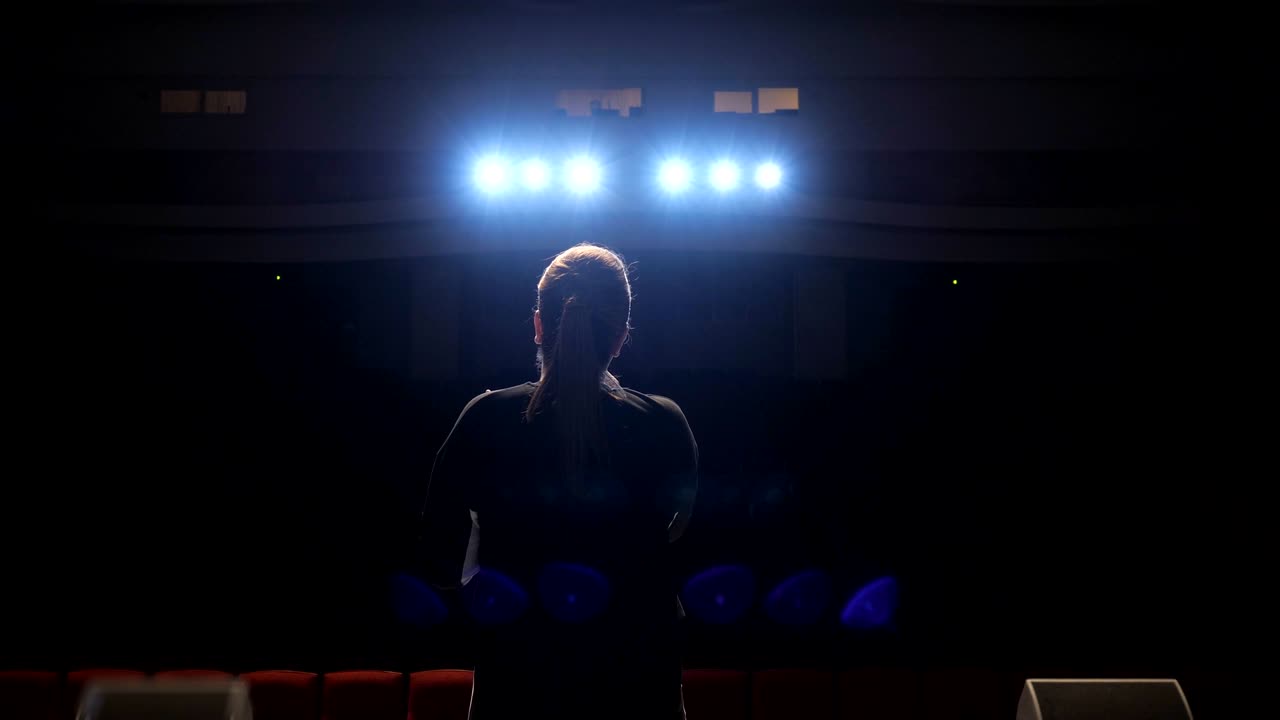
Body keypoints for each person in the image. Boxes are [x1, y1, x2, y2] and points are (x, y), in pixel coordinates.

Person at [420, 243, 699, 720]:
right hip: (637, 687)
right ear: (619, 335)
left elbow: (439, 565)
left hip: (518, 683)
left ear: (537, 325)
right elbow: (680, 540)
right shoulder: (664, 423)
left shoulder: (487, 419)